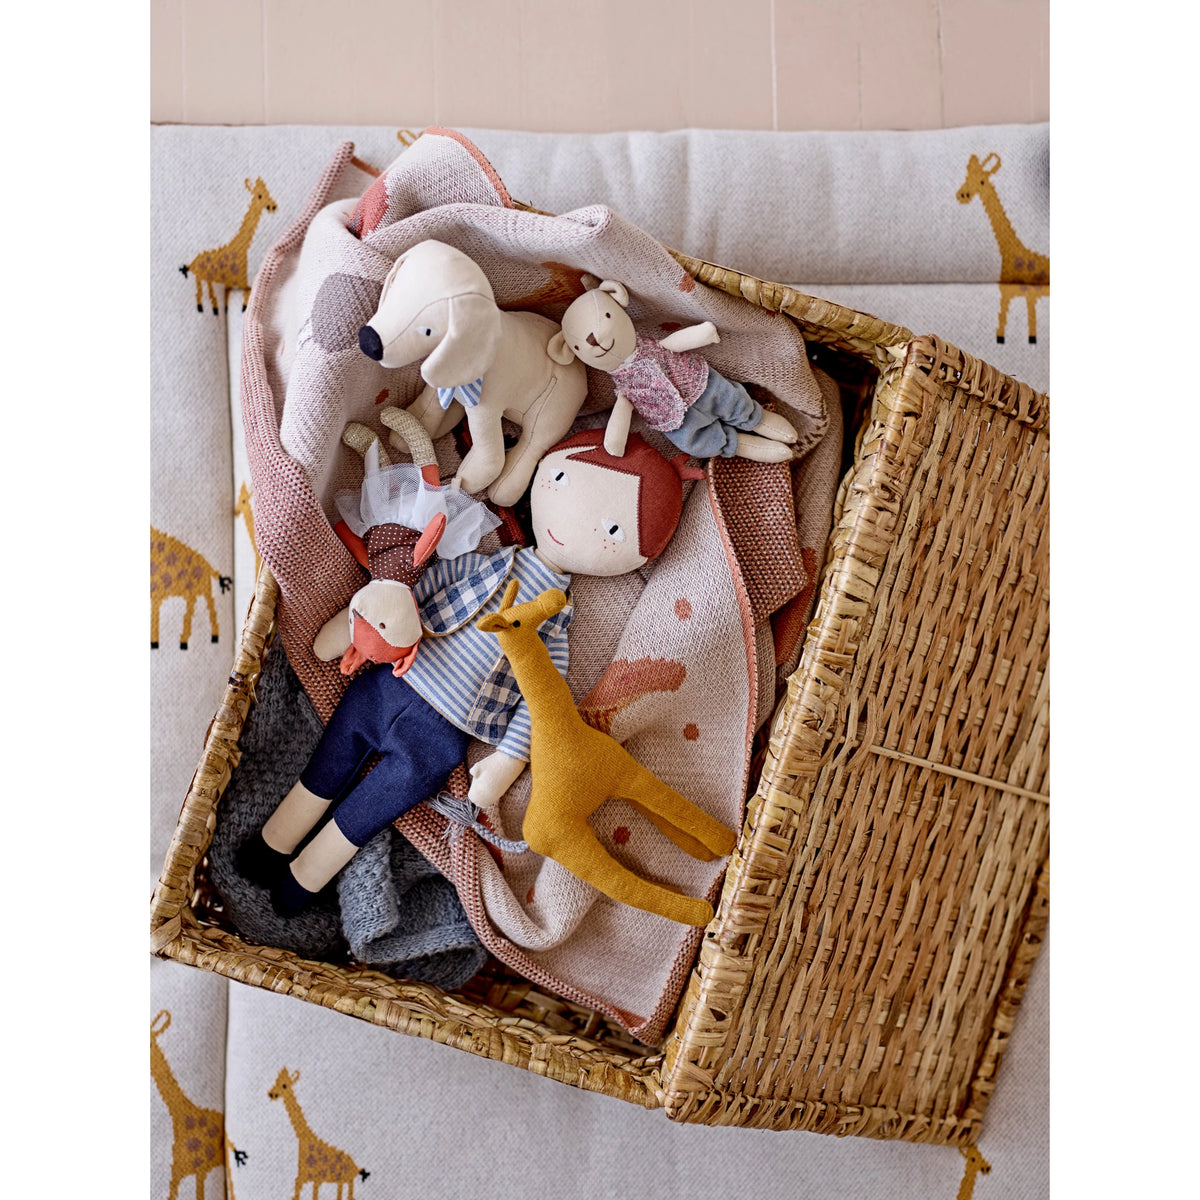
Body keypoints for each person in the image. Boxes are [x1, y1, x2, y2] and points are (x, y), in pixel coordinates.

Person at [239, 428, 704, 915]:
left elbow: (541, 701)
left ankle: (304, 878)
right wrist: (363, 620)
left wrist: (506, 761)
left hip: (442, 736)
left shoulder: (553, 626)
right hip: (393, 679)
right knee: (326, 766)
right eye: (561, 479)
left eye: (612, 531)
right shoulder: (482, 563)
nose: (576, 522)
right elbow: (419, 585)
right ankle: (273, 844)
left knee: (368, 811)